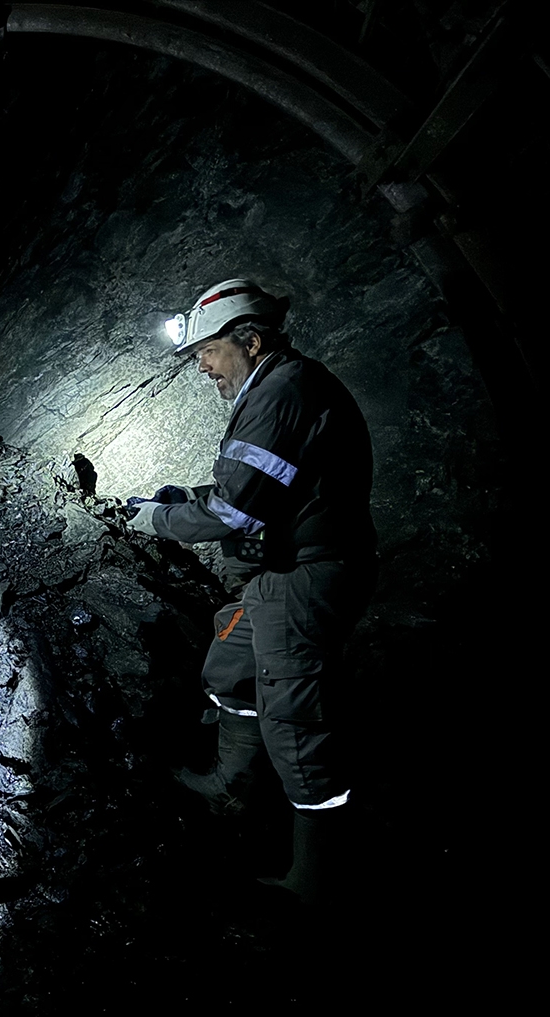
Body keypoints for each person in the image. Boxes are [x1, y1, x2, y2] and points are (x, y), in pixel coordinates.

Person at [127, 278, 377, 905]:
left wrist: (155, 519)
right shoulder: (275, 386)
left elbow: (237, 511)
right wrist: (185, 502)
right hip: (274, 575)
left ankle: (316, 883)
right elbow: (261, 490)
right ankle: (233, 786)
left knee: (295, 722)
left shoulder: (283, 392)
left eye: (209, 352)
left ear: (251, 340)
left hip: (304, 579)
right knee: (231, 668)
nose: (204, 366)